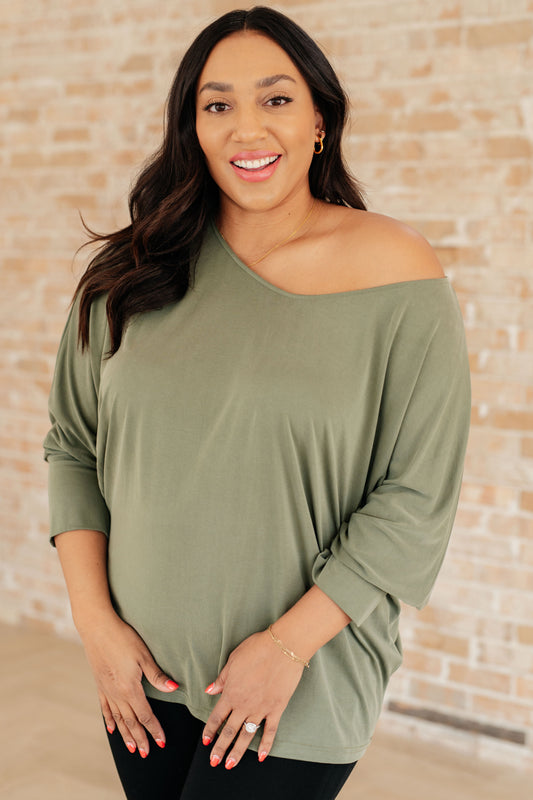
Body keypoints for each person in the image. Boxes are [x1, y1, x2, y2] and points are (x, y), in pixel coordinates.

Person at [43, 6, 470, 799]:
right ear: (192, 128)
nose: (247, 127)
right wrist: (96, 628)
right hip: (141, 673)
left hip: (296, 678)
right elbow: (73, 445)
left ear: (319, 121)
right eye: (218, 105)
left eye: (276, 99)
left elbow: (415, 494)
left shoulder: (393, 269)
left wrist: (286, 647)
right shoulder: (129, 273)